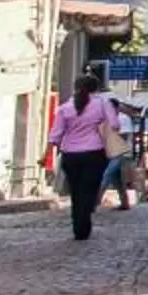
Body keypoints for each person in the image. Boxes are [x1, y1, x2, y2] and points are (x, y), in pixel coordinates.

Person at [51, 73, 120, 242]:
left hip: (70, 155)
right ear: (95, 88)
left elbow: (55, 135)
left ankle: (79, 227)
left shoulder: (65, 108)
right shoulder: (102, 103)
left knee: (76, 191)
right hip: (94, 153)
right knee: (89, 189)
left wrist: (46, 155)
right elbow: (115, 125)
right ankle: (85, 219)